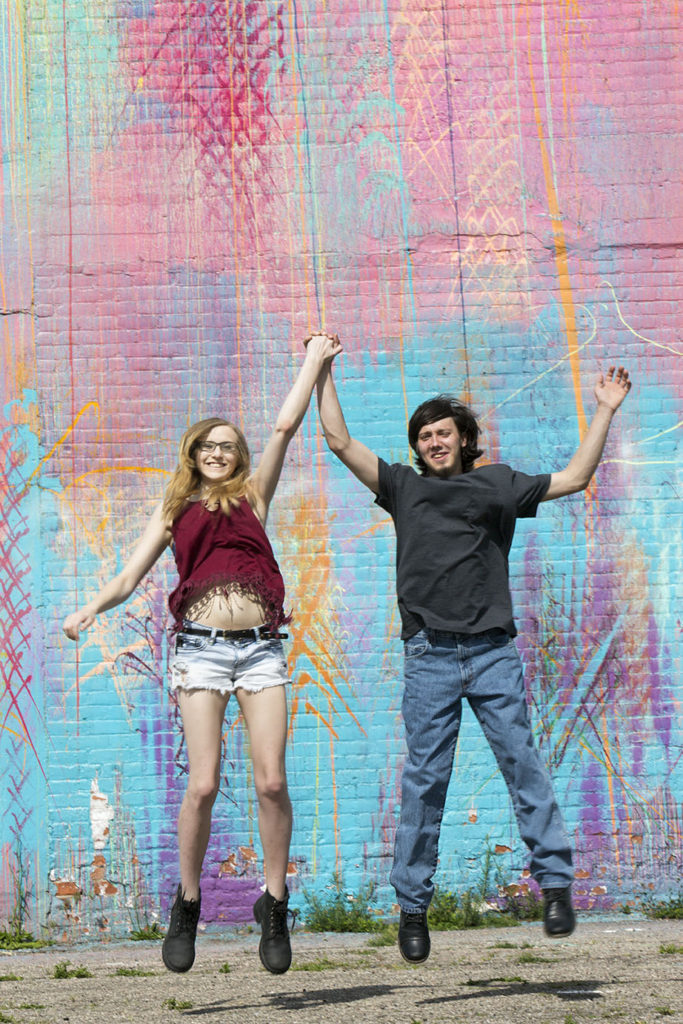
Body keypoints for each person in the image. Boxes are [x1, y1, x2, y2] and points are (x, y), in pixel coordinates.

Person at [314, 345, 631, 963]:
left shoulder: (496, 484)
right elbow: (336, 439)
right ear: (417, 447)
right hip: (429, 655)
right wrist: (323, 371)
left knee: (523, 766)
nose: (434, 442)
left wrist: (604, 412)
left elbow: (574, 479)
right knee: (425, 782)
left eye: (444, 432)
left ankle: (557, 888)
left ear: (465, 439)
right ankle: (412, 909)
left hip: (491, 654)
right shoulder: (402, 488)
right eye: (425, 435)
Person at [63, 333, 342, 975]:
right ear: (192, 454)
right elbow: (128, 579)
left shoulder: (255, 498)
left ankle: (274, 903)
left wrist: (314, 359)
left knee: (272, 780)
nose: (218, 454)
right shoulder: (174, 511)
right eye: (207, 446)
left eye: (227, 447)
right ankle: (187, 902)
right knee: (205, 783)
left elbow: (284, 425)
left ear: (237, 457)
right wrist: (89, 609)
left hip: (262, 652)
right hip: (201, 655)